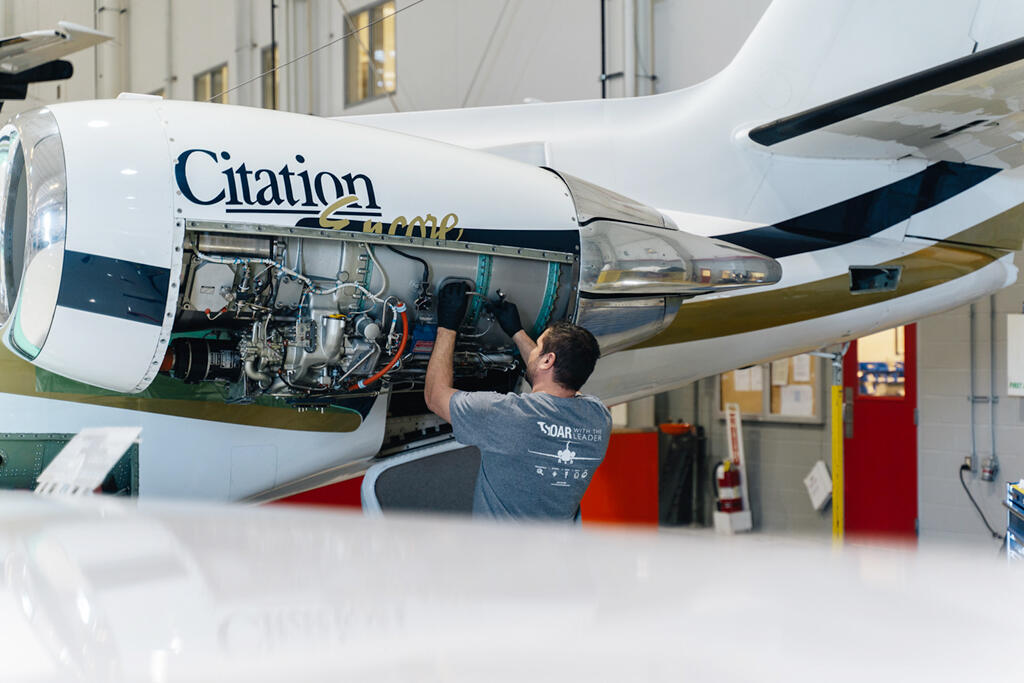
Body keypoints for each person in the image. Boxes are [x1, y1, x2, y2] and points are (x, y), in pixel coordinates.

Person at [424, 281, 612, 521]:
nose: (533, 352)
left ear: (547, 360)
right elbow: (556, 383)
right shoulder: (599, 418)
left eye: (538, 347)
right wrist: (517, 332)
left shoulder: (506, 415)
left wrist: (447, 327)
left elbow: (435, 396)